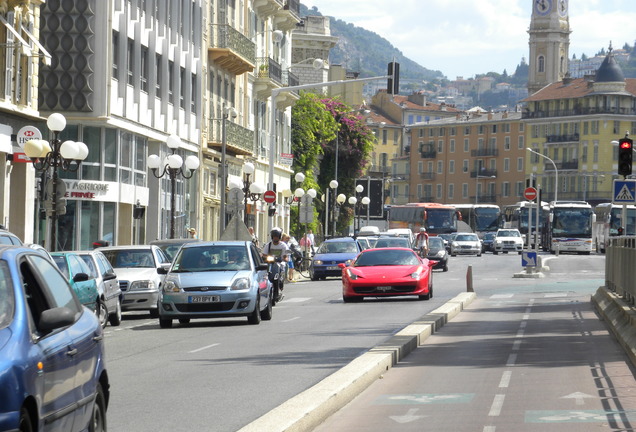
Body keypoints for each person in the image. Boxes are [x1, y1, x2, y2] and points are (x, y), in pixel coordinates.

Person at [262, 228, 289, 299]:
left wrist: (282, 259)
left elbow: (286, 257)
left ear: (279, 237)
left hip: (280, 264)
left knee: (280, 272)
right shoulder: (268, 245)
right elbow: (264, 255)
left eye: (277, 236)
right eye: (274, 236)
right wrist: (266, 257)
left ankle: (280, 285)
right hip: (270, 263)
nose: (275, 238)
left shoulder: (283, 246)